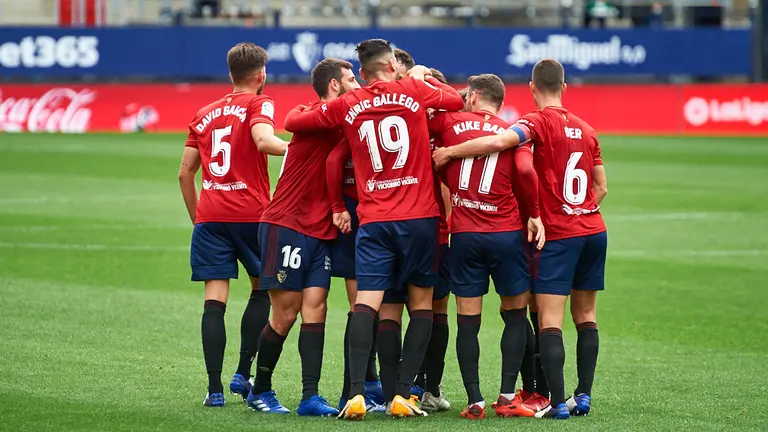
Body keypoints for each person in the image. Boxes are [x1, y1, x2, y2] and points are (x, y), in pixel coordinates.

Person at [285, 38, 464, 420]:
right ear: (392, 66)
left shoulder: (349, 103)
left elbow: (296, 123)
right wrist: (420, 76)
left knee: (367, 303)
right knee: (421, 305)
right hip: (419, 218)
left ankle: (354, 395)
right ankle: (403, 394)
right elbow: (456, 100)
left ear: (363, 73)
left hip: (375, 219)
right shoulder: (414, 90)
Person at [432, 58, 608, 420]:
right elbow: (601, 186)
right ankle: (574, 395)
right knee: (583, 315)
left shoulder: (532, 123)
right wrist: (574, 211)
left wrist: (448, 153)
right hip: (590, 228)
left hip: (542, 234)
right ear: (565, 87)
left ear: (532, 87)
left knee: (545, 320)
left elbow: (504, 147)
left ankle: (536, 401)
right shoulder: (588, 129)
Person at [245, 58, 361, 416]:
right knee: (285, 314)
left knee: (317, 309)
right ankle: (260, 389)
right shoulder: (312, 114)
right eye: (352, 79)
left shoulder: (344, 121)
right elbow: (290, 121)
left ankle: (310, 396)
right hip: (287, 224)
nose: (357, 85)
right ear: (335, 86)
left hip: (320, 230)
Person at [429, 74, 543, 419]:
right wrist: (533, 213)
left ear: (474, 96)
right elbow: (525, 171)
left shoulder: (449, 123)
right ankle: (508, 395)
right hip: (506, 233)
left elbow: (425, 116)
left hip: (464, 235)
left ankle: (475, 401)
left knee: (467, 321)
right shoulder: (513, 129)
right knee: (514, 315)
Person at [178, 42, 287, 407]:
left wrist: (199, 220)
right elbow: (263, 140)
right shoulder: (260, 102)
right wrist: (295, 147)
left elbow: (185, 173)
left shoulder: (203, 112)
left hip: (211, 217)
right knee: (262, 292)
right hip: (252, 214)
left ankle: (213, 390)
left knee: (214, 302)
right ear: (261, 76)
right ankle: (243, 371)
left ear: (230, 74)